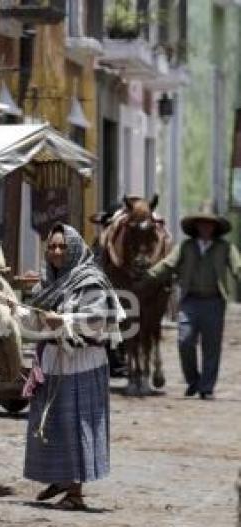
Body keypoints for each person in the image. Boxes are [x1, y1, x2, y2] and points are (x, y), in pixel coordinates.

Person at [19, 223, 125, 510]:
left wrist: (64, 321)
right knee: (51, 423)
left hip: (82, 362)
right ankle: (62, 479)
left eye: (62, 247)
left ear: (75, 249)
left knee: (76, 424)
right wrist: (24, 314)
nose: (55, 252)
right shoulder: (46, 283)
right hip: (53, 360)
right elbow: (33, 322)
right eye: (51, 246)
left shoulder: (90, 280)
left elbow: (97, 320)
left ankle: (75, 493)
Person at [141, 205, 241, 400]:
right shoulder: (185, 247)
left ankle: (206, 387)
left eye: (209, 224)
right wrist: (147, 276)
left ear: (215, 227)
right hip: (190, 301)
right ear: (196, 226)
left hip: (214, 302)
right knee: (184, 340)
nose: (205, 227)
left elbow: (238, 267)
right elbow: (168, 265)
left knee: (211, 346)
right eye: (201, 223)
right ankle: (193, 380)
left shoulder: (226, 248)